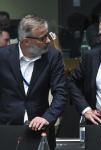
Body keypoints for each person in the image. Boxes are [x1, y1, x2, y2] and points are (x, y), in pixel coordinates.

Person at [0, 14, 66, 149]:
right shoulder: (3, 57)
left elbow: (61, 93)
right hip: (6, 129)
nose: (48, 41)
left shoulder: (53, 57)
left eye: (48, 35)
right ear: (26, 41)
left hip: (41, 131)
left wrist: (47, 117)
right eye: (43, 38)